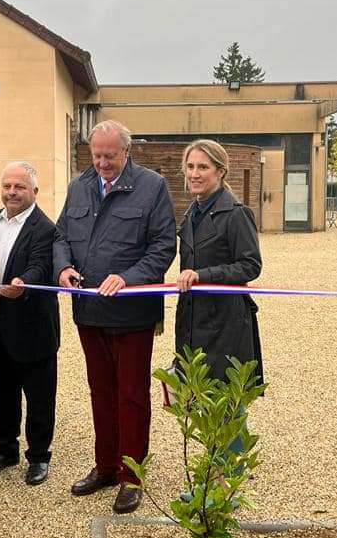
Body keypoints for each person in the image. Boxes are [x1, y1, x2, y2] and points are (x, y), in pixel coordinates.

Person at [54, 120, 176, 514]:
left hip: (132, 313)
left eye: (110, 155)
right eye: (97, 155)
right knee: (100, 392)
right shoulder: (79, 186)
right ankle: (105, 466)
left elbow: (163, 246)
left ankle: (131, 477)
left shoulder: (151, 186)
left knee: (131, 395)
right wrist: (63, 268)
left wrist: (129, 278)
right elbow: (60, 237)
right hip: (89, 311)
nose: (103, 163)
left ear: (127, 152)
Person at [175, 139, 264, 474]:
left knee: (227, 406)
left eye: (203, 167)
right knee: (199, 401)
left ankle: (225, 485)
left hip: (226, 324)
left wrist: (203, 274)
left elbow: (250, 265)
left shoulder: (236, 214)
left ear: (221, 172)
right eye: (191, 166)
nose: (195, 174)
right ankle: (212, 478)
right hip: (193, 320)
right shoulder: (191, 213)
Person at [0, 161, 60, 486]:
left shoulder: (45, 228)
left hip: (32, 327)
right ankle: (5, 448)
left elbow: (41, 266)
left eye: (19, 187)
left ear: (34, 192)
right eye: (7, 186)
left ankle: (39, 456)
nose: (12, 192)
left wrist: (23, 282)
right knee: (3, 393)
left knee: (39, 397)